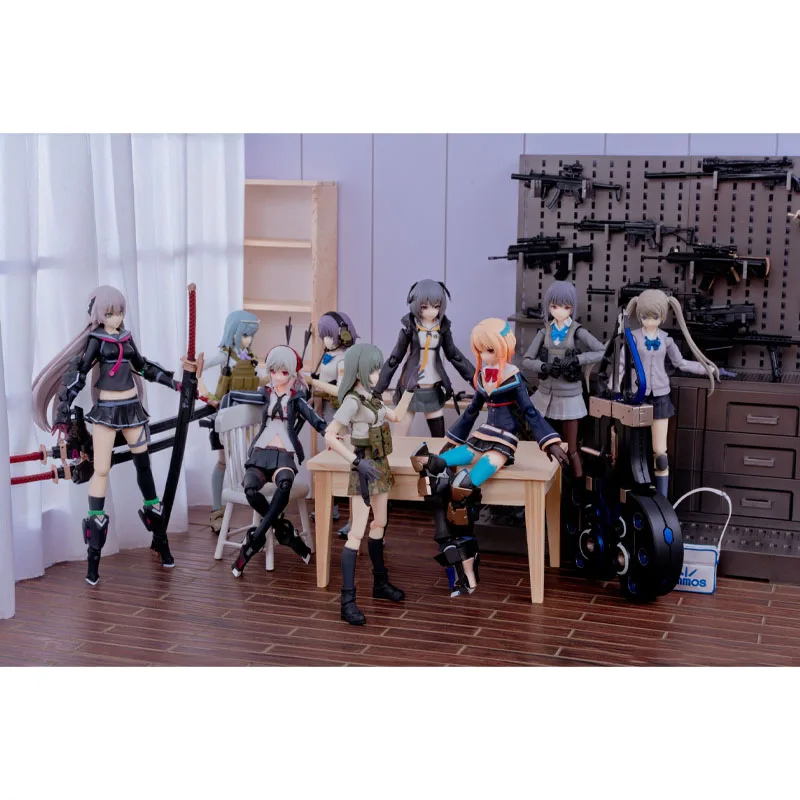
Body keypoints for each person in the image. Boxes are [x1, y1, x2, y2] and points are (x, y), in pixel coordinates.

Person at [31, 285, 192, 585]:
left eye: (119, 312)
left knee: (143, 465)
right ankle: (93, 558)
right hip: (105, 412)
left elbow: (143, 367)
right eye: (110, 313)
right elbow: (78, 374)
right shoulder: (96, 340)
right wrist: (63, 409)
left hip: (132, 410)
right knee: (101, 469)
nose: (116, 318)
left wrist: (174, 382)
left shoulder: (126, 338)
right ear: (98, 314)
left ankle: (161, 541)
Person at [411, 318, 569, 597]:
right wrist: (451, 441)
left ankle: (467, 552)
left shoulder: (514, 377)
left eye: (489, 350)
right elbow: (472, 412)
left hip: (505, 440)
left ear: (504, 347)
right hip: (484, 433)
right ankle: (437, 464)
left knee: (466, 482)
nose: (484, 357)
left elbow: (530, 412)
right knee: (454, 457)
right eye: (480, 351)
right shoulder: (484, 376)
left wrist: (551, 443)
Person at [323, 343, 414, 625]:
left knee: (380, 523)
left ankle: (380, 583)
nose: (377, 374)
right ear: (360, 370)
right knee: (356, 533)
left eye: (378, 368)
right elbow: (330, 434)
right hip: (364, 468)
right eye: (373, 369)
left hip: (380, 466)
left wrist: (409, 390)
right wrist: (355, 461)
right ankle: (347, 601)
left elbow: (396, 416)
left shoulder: (372, 398)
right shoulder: (352, 401)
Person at [223, 345, 327, 576]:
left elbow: (315, 419)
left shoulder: (297, 399)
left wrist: (330, 433)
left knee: (285, 483)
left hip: (285, 453)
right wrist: (222, 403)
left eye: (283, 372)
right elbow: (235, 395)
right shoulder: (265, 393)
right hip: (261, 451)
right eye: (273, 371)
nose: (277, 376)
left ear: (292, 373)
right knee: (250, 489)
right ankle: (284, 532)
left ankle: (255, 540)